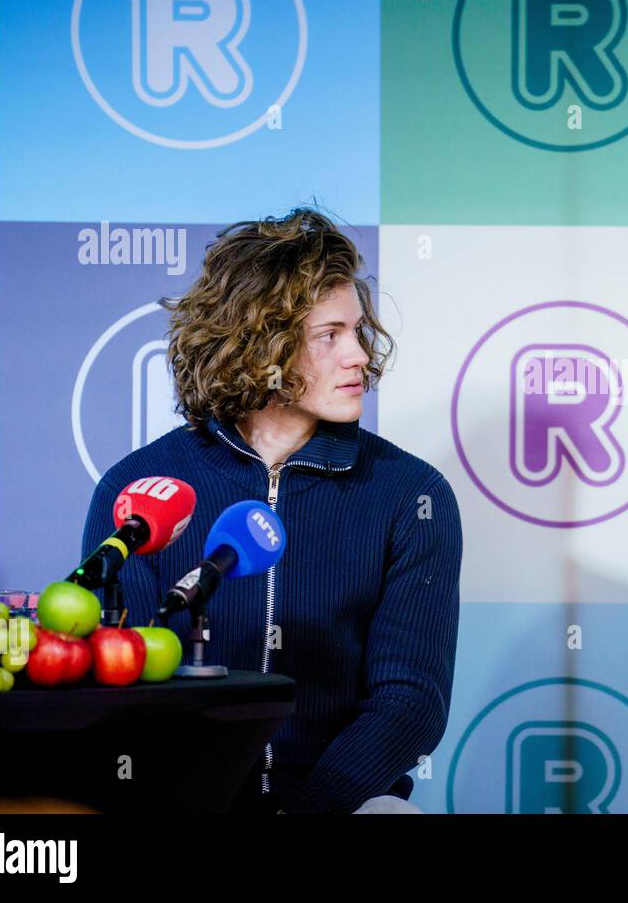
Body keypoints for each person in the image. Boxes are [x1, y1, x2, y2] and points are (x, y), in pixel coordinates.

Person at [81, 208, 461, 814]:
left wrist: (311, 811)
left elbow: (410, 702)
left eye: (357, 331)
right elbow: (114, 686)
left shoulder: (412, 495)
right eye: (329, 335)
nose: (359, 355)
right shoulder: (135, 489)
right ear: (260, 343)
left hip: (339, 805)